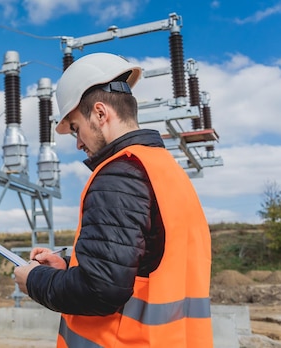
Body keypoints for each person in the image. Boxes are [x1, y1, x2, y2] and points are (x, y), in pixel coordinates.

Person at [13, 52, 213, 347]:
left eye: (76, 129)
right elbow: (140, 263)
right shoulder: (163, 168)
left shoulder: (119, 176)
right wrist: (67, 266)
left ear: (100, 113)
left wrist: (34, 280)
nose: (79, 143)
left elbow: (100, 291)